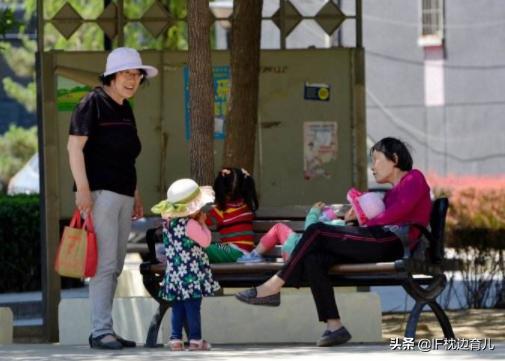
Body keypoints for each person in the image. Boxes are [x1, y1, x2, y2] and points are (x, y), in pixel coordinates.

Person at [235, 137, 432, 347]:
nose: (372, 167)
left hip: (392, 243)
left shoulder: (414, 178)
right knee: (315, 259)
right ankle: (334, 326)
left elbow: (398, 212)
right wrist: (358, 218)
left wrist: (365, 220)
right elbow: (382, 218)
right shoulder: (391, 192)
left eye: (375, 159)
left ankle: (274, 285)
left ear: (394, 158)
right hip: (379, 239)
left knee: (317, 230)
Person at [67, 47, 158, 349]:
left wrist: (135, 193)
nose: (132, 80)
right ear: (112, 75)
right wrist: (82, 189)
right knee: (104, 265)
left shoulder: (124, 108)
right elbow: (74, 148)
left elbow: (126, 156)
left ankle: (106, 328)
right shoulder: (92, 103)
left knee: (116, 264)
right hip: (99, 194)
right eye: (126, 74)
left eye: (136, 75)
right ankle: (100, 331)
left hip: (122, 194)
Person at [151, 178, 220, 351]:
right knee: (193, 307)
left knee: (177, 308)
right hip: (192, 275)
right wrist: (203, 224)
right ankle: (196, 340)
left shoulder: (169, 224)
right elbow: (205, 242)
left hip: (174, 274)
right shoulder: (190, 224)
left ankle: (175, 339)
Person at [237, 190, 385, 263]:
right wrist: (328, 217)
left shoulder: (339, 225)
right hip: (306, 255)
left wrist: (314, 212)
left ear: (353, 213)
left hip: (296, 249)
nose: (348, 210)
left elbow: (311, 230)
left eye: (351, 208)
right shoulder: (346, 229)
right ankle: (258, 256)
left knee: (278, 228)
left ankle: (254, 255)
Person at [204, 168, 259, 263]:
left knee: (202, 249)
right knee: (214, 246)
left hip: (234, 250)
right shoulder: (246, 205)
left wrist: (194, 215)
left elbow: (204, 221)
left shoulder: (221, 210)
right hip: (245, 251)